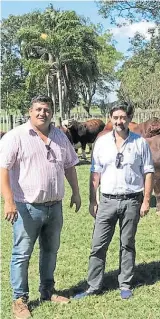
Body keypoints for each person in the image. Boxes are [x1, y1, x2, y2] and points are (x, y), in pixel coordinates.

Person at [0, 95, 81, 319]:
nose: (42, 113)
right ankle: (19, 299)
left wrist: (75, 191)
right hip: (27, 207)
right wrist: (8, 200)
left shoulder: (60, 136)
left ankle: (47, 290)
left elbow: (70, 166)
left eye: (46, 109)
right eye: (38, 109)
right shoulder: (15, 136)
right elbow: (3, 169)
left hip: (54, 207)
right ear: (30, 111)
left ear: (51, 113)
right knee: (21, 254)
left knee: (50, 251)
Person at [74, 103, 154, 300]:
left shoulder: (140, 143)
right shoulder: (101, 143)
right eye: (116, 117)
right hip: (107, 200)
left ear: (129, 118)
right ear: (110, 118)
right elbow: (95, 172)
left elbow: (148, 172)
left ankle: (125, 284)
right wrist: (93, 199)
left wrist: (146, 201)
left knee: (127, 243)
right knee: (98, 245)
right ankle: (93, 285)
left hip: (131, 200)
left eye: (123, 117)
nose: (119, 121)